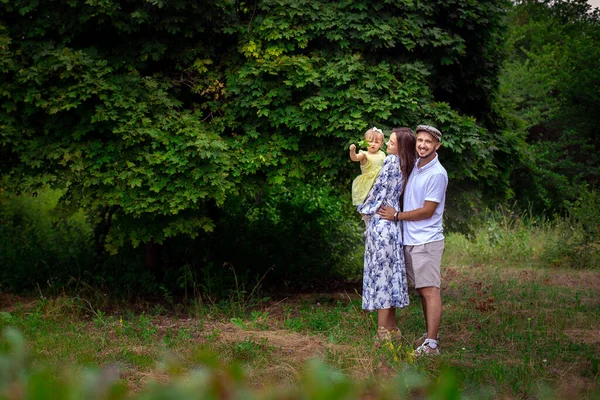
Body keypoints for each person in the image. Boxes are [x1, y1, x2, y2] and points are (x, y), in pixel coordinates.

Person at [377, 124, 448, 355]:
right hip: (410, 239)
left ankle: (432, 344)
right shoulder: (417, 165)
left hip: (426, 240)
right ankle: (431, 335)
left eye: (428, 142)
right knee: (422, 290)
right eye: (420, 140)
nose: (423, 145)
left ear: (437, 146)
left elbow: (427, 210)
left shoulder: (437, 174)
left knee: (430, 290)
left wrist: (396, 216)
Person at [357, 127, 417, 339]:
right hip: (391, 226)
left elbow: (378, 190)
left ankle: (382, 334)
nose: (388, 145)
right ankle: (392, 330)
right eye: (389, 141)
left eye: (392, 142)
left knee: (382, 276)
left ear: (401, 146)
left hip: (382, 224)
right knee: (389, 275)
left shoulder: (392, 161)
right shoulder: (405, 164)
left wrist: (363, 208)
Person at [349, 127, 386, 225]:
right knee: (364, 204)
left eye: (376, 142)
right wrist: (352, 151)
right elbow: (355, 158)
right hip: (367, 184)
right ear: (365, 142)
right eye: (370, 141)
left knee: (378, 205)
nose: (373, 144)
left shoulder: (382, 154)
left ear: (381, 144)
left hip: (379, 182)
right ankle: (366, 222)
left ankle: (374, 222)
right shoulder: (364, 154)